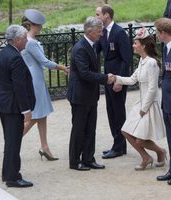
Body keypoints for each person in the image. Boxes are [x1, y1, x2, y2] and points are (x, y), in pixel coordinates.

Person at [110, 27, 166, 170]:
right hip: (141, 103)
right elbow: (132, 79)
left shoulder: (152, 63)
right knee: (126, 131)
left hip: (148, 105)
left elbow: (153, 89)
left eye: (135, 43)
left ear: (144, 45)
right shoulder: (142, 61)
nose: (133, 46)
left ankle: (160, 151)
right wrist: (115, 77)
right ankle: (146, 157)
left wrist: (144, 109)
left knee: (140, 140)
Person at [67, 16, 114, 171]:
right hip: (80, 96)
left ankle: (88, 158)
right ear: (89, 31)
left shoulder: (93, 45)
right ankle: (74, 161)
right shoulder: (80, 48)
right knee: (79, 129)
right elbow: (85, 73)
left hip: (90, 95)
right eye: (99, 31)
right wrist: (105, 78)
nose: (101, 34)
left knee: (90, 128)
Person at [21, 9, 69, 161]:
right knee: (35, 116)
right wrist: (63, 68)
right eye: (39, 25)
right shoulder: (31, 42)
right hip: (35, 80)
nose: (41, 27)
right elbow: (45, 62)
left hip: (35, 78)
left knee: (42, 115)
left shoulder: (27, 40)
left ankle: (45, 146)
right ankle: (13, 141)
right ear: (34, 26)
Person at [0, 25, 36, 187]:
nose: (26, 40)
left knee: (10, 141)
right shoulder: (16, 58)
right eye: (25, 38)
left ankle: (9, 174)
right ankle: (12, 177)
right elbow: (19, 86)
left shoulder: (3, 53)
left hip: (4, 104)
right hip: (13, 107)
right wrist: (26, 110)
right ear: (17, 40)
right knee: (13, 142)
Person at [95, 4, 132, 159]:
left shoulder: (119, 33)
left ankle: (119, 147)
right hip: (108, 79)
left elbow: (126, 59)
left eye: (98, 14)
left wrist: (120, 80)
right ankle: (118, 145)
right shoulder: (102, 32)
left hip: (117, 79)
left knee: (118, 112)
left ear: (106, 16)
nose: (96, 17)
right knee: (111, 112)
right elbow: (95, 49)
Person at [155, 18, 171, 185]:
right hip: (167, 101)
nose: (157, 36)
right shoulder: (166, 48)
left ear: (163, 33)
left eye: (158, 33)